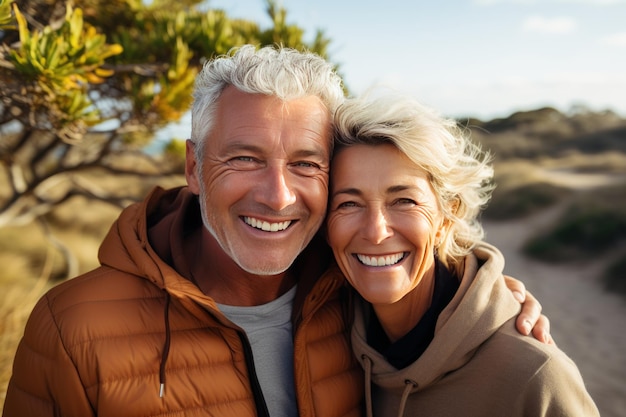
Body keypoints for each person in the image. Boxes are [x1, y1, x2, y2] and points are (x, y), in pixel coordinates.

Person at [3, 45, 549, 417]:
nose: (278, 195)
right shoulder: (71, 327)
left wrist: (489, 291)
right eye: (244, 157)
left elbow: (412, 254)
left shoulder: (352, 292)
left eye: (307, 164)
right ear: (193, 167)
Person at [325, 91, 600, 417]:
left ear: (447, 217)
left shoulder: (535, 376)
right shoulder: (327, 336)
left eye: (404, 201)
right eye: (348, 204)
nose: (375, 231)